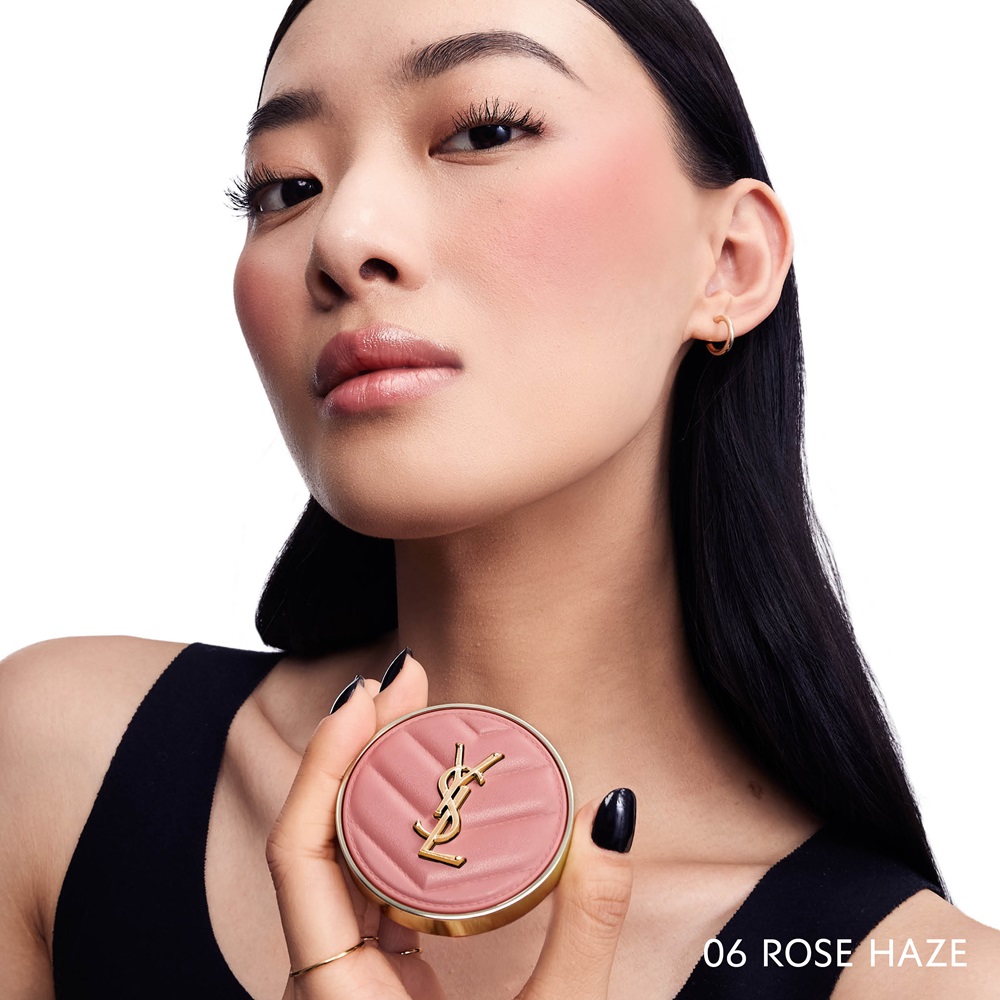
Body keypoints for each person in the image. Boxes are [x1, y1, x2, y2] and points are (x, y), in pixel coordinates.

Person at [1, 0, 997, 998]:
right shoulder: (52, 769)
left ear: (729, 264)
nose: (342, 237)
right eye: (286, 187)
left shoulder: (926, 977)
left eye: (483, 132)